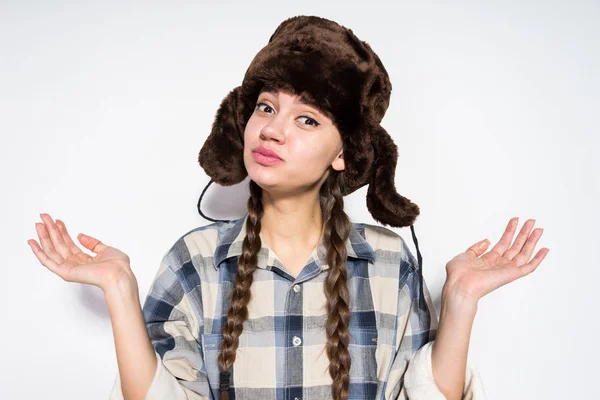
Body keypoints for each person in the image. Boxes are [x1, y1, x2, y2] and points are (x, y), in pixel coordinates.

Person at [27, 15, 549, 400]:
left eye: (307, 119)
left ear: (343, 153)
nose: (273, 129)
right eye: (266, 107)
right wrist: (119, 290)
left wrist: (460, 301)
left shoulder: (390, 264)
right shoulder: (195, 262)